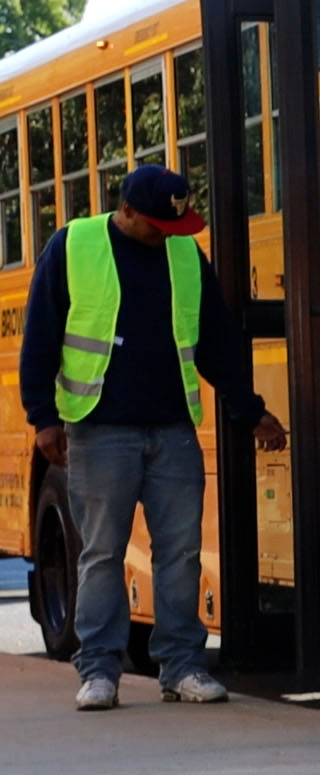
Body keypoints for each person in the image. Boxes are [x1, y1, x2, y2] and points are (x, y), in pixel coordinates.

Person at [19, 165, 288, 711]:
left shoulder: (186, 255)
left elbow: (214, 340)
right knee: (101, 553)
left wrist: (249, 411)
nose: (169, 232)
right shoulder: (74, 245)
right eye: (159, 224)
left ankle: (183, 667)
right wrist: (43, 417)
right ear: (128, 213)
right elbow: (41, 333)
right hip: (99, 429)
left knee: (181, 553)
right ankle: (98, 671)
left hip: (172, 429)